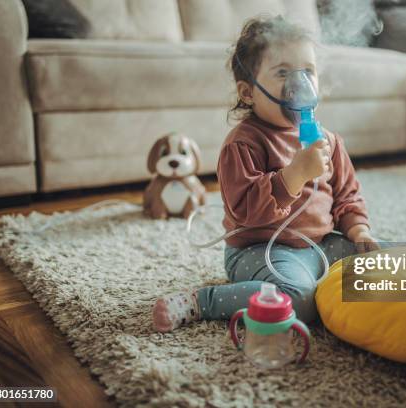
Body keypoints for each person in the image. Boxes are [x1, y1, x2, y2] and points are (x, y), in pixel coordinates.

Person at [152, 15, 380, 332]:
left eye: (307, 71)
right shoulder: (242, 144)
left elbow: (347, 196)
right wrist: (295, 175)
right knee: (298, 298)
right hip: (260, 251)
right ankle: (202, 301)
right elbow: (246, 212)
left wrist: (359, 232)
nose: (299, 83)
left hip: (322, 245)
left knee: (384, 262)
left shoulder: (328, 141)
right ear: (248, 92)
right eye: (283, 72)